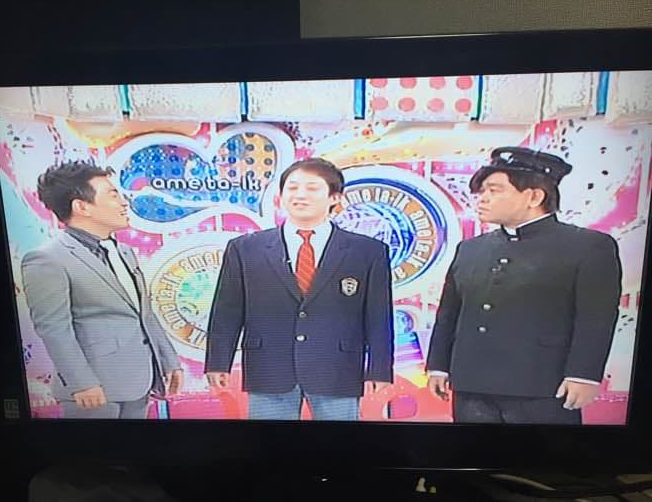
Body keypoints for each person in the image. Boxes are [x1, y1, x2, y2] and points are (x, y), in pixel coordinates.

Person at [426, 147, 622, 424]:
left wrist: (583, 375)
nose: (483, 198)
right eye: (482, 191)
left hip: (543, 385)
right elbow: (449, 313)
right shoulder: (470, 248)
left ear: (534, 197)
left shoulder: (588, 246)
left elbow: (596, 318)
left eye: (494, 190)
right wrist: (438, 366)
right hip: (471, 384)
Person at [204, 158, 394, 420]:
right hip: (269, 368)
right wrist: (217, 362)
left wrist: (380, 368)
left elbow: (378, 315)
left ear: (335, 197)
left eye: (312, 188)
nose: (300, 195)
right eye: (292, 188)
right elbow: (227, 311)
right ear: (281, 196)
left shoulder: (368, 251)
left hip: (337, 368)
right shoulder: (245, 248)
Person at [22, 161, 183, 419]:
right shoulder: (47, 259)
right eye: (113, 195)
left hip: (140, 381)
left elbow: (144, 313)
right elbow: (54, 328)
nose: (124, 203)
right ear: (82, 207)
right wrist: (81, 382)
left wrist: (168, 360)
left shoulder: (124, 251)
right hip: (94, 389)